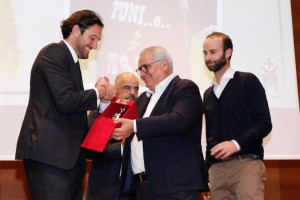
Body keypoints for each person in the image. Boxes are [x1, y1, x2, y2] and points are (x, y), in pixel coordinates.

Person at [15, 10, 117, 200]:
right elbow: (65, 101)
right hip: (50, 159)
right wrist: (100, 92)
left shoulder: (73, 62)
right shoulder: (53, 53)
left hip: (68, 164)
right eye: (92, 38)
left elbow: (74, 108)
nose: (94, 46)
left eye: (97, 41)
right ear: (76, 29)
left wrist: (101, 101)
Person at [111, 46, 209, 200]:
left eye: (146, 67)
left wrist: (135, 125)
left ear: (164, 65)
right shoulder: (143, 99)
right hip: (142, 187)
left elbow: (179, 120)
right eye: (140, 69)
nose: (142, 73)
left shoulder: (184, 87)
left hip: (175, 185)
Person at [202, 32, 272, 200]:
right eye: (205, 53)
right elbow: (211, 136)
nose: (208, 57)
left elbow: (264, 124)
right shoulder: (207, 94)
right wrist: (206, 174)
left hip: (246, 164)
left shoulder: (247, 81)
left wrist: (236, 144)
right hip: (216, 172)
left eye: (213, 52)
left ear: (228, 53)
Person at [86, 72, 139, 200]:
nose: (132, 92)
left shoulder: (144, 114)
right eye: (127, 88)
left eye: (136, 89)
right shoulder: (98, 114)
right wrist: (125, 148)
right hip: (104, 189)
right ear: (116, 90)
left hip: (134, 191)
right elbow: (93, 149)